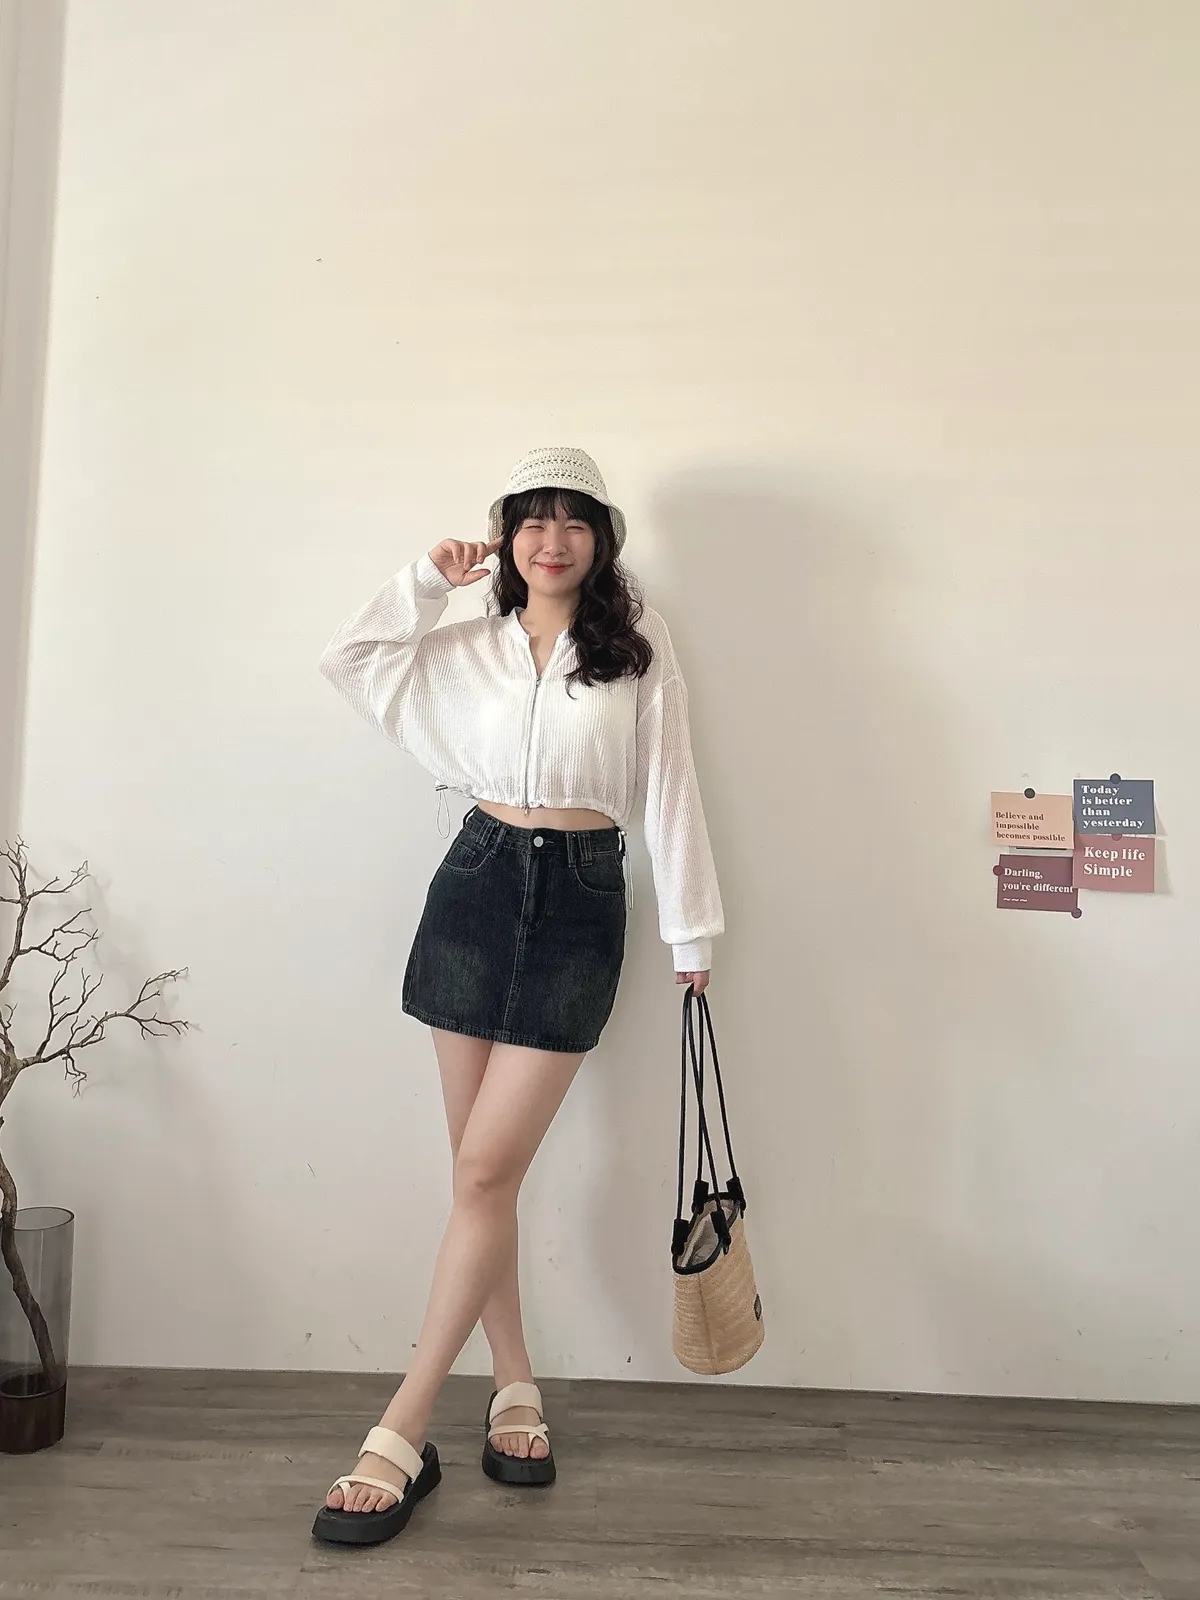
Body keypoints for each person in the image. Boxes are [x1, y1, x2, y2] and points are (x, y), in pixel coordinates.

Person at [311, 447, 723, 1547]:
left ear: (601, 538)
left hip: (583, 901)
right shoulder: (471, 643)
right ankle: (514, 1384)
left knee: (485, 1173)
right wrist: (424, 581)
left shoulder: (636, 645)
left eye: (573, 521)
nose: (552, 540)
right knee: (477, 1178)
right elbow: (348, 657)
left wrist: (692, 928)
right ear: (507, 537)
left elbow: (671, 782)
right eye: (532, 520)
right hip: (477, 886)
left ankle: (402, 1427)